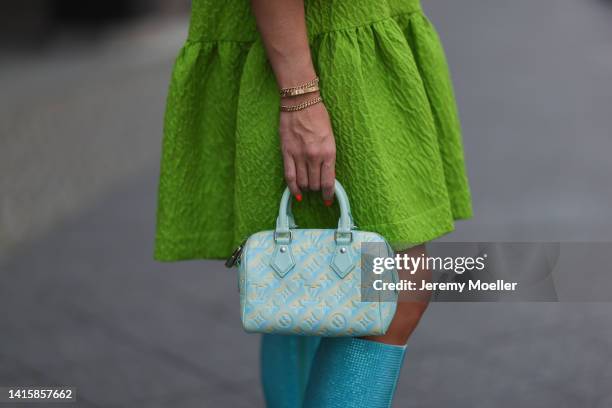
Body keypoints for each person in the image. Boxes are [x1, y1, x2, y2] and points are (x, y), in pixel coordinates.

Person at [154, 0, 472, 406]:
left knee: (300, 289)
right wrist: (300, 98)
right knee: (394, 286)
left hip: (317, 49)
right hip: (323, 61)